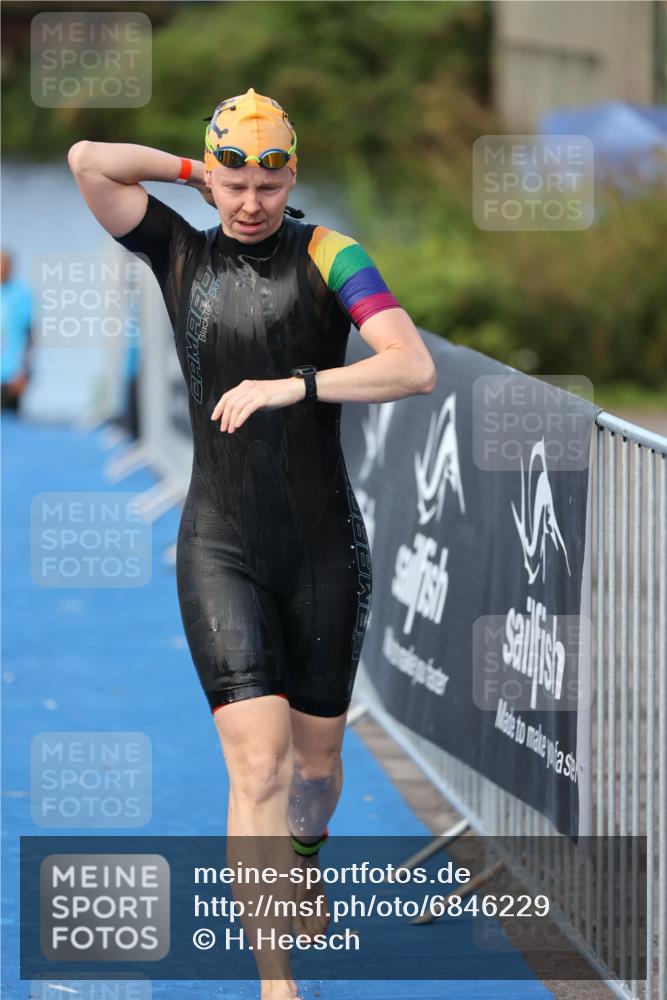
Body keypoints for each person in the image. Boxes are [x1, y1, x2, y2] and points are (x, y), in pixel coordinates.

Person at [68, 88, 436, 1000]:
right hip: (219, 544)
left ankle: (306, 852)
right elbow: (86, 159)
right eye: (232, 180)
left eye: (267, 183)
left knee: (315, 764)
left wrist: (296, 386)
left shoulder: (330, 254)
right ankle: (275, 982)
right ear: (213, 177)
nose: (249, 202)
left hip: (320, 548)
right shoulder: (176, 247)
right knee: (259, 763)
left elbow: (411, 362)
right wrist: (192, 172)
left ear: (292, 177)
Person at [1, 250, 33, 412]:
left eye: (4, 265)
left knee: (10, 426)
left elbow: (30, 336)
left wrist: (25, 371)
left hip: (11, 373)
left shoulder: (21, 294)